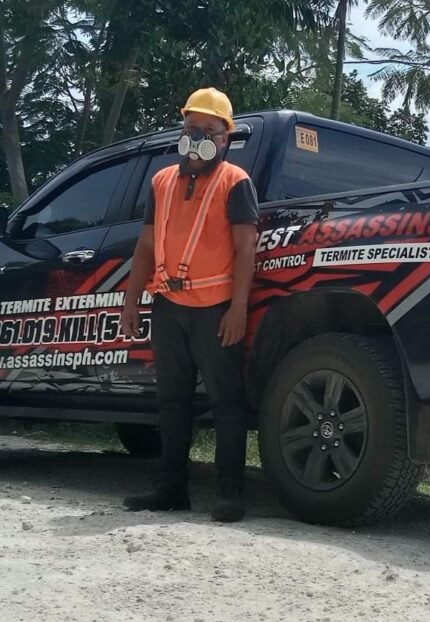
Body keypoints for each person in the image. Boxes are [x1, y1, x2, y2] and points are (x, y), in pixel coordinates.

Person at [121, 88, 258, 522]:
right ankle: (171, 490)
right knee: (172, 401)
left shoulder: (235, 181)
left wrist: (238, 309)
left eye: (207, 130)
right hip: (168, 305)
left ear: (225, 138)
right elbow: (145, 243)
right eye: (190, 128)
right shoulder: (161, 181)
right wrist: (131, 301)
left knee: (226, 402)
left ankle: (230, 495)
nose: (197, 136)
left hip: (215, 309)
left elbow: (246, 247)